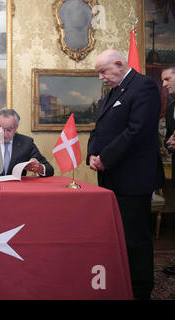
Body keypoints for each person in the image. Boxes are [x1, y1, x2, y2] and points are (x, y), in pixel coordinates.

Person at [87, 49, 165, 299]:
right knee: (117, 236)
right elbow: (98, 129)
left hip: (132, 179)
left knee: (134, 239)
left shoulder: (144, 87)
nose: (101, 77)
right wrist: (92, 154)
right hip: (111, 178)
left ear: (119, 64)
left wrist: (105, 158)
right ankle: (121, 282)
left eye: (103, 71)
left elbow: (137, 131)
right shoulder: (114, 92)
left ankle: (140, 290)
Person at [0, 108, 54, 177]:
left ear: (16, 127)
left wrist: (40, 168)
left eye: (9, 129)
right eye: (1, 129)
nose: (5, 134)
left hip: (17, 190)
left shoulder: (26, 142)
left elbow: (50, 169)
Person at [162, 64, 175, 276]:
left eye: (167, 80)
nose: (163, 85)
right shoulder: (171, 106)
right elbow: (168, 137)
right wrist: (169, 143)